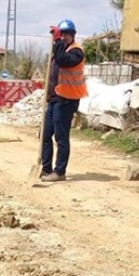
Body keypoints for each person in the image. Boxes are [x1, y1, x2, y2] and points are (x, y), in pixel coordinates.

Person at [40, 19, 88, 182]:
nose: (65, 37)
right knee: (45, 135)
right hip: (55, 99)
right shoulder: (60, 50)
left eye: (67, 35)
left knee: (61, 137)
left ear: (73, 35)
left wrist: (58, 41)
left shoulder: (76, 52)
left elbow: (62, 60)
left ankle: (59, 171)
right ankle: (46, 169)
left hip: (67, 100)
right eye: (63, 34)